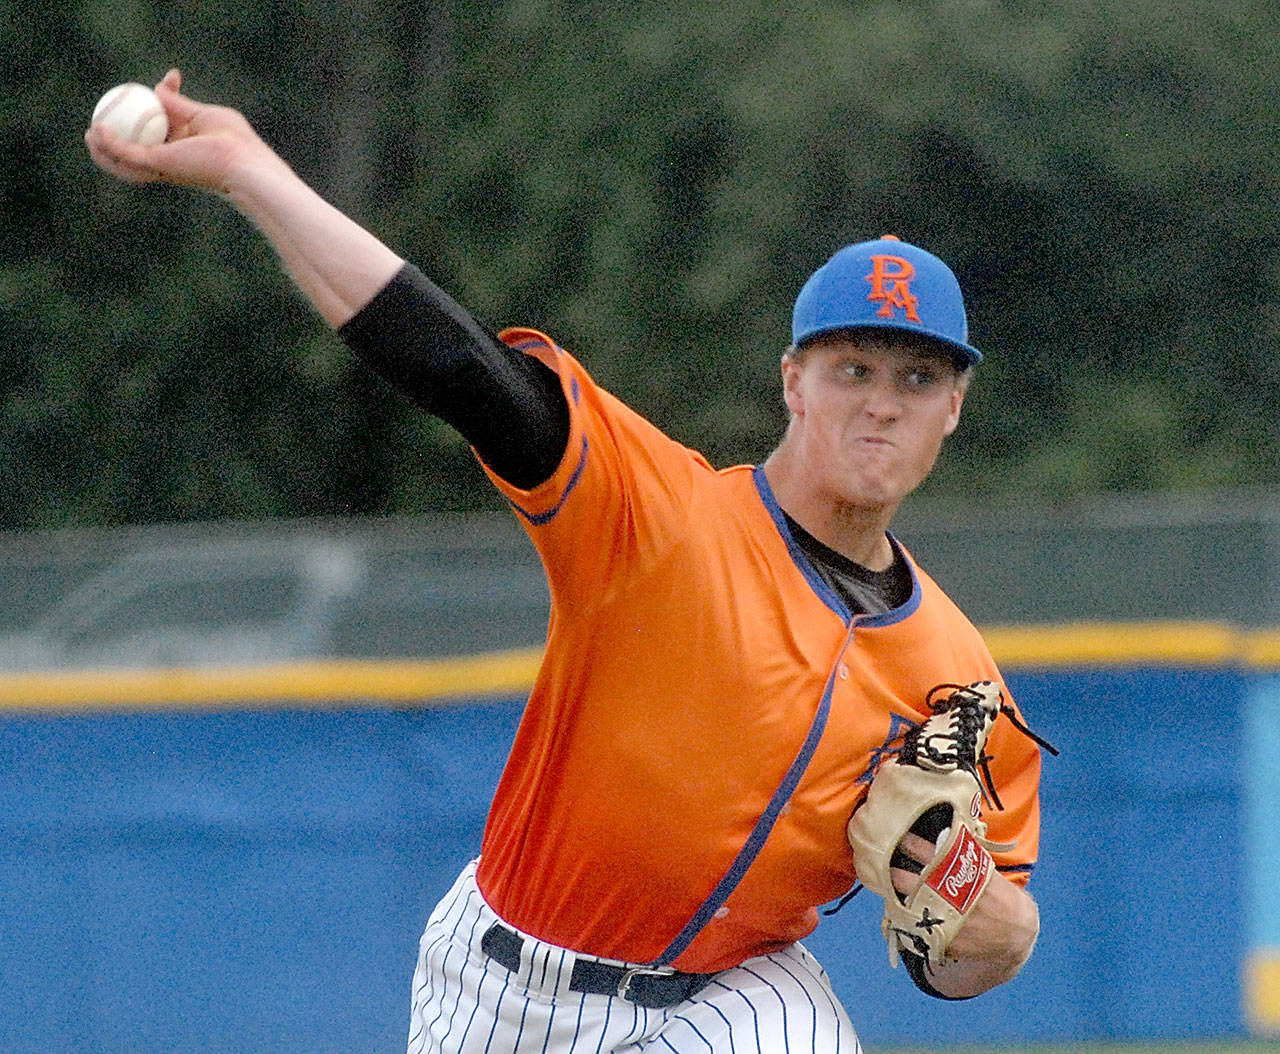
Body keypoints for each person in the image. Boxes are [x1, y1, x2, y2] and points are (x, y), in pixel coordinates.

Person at [86, 70, 1048, 1054]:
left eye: (917, 376)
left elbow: (957, 959)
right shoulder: (660, 518)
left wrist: (996, 931)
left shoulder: (955, 678)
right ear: (794, 382)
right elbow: (456, 366)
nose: (882, 402)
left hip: (732, 996)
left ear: (954, 408)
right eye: (854, 368)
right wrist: (252, 171)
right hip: (503, 982)